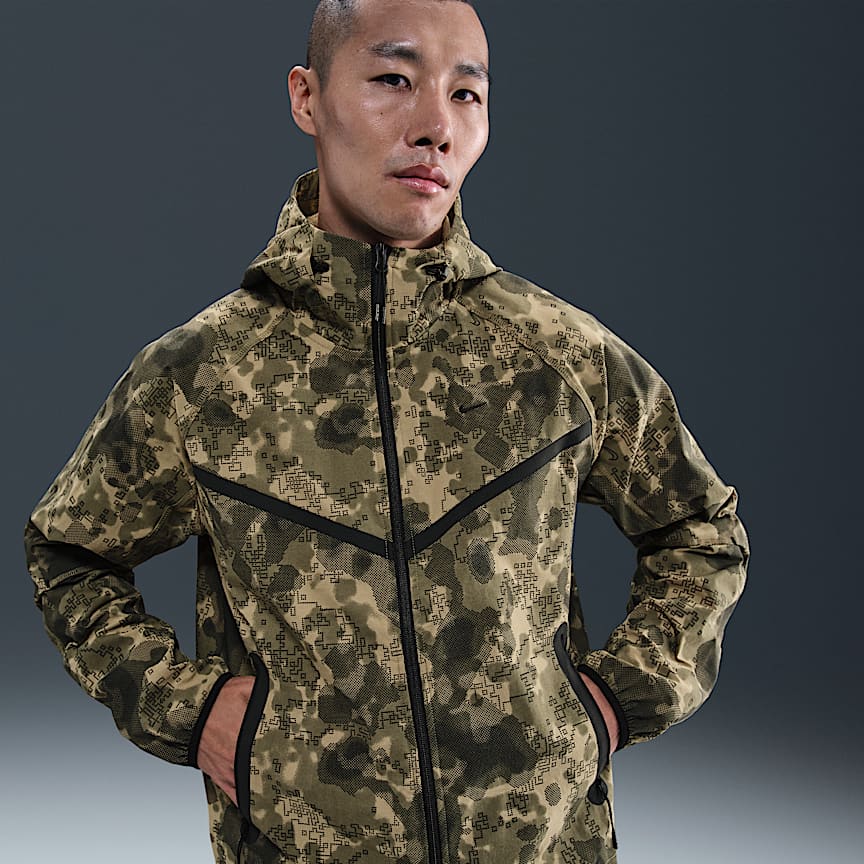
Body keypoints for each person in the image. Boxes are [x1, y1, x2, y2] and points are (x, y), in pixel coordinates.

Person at [23, 1, 750, 862]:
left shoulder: (558, 355)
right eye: (394, 79)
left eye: (466, 94)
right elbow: (69, 554)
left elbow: (700, 530)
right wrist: (193, 713)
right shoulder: (202, 376)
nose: (436, 125)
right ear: (307, 98)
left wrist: (616, 702)